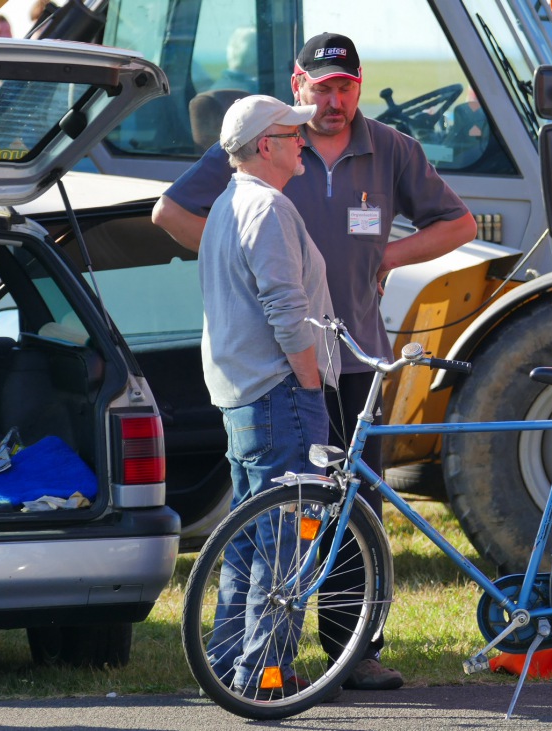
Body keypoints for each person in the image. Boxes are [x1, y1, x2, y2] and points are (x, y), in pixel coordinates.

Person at [153, 32, 477, 691]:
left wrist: (386, 257)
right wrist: (302, 371)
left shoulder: (381, 151)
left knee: (300, 519)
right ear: (295, 92)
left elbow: (459, 222)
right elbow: (274, 299)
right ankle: (263, 673)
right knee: (287, 532)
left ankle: (316, 654)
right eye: (319, 91)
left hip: (312, 369)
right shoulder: (260, 195)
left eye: (345, 88)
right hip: (294, 377)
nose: (327, 108)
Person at [198, 95, 338, 696]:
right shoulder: (269, 207)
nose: (303, 140)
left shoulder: (228, 205)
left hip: (243, 396)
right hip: (279, 395)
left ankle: (230, 667)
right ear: (265, 146)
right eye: (292, 133)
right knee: (288, 547)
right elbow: (287, 312)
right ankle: (263, 678)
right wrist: (312, 389)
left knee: (248, 542)